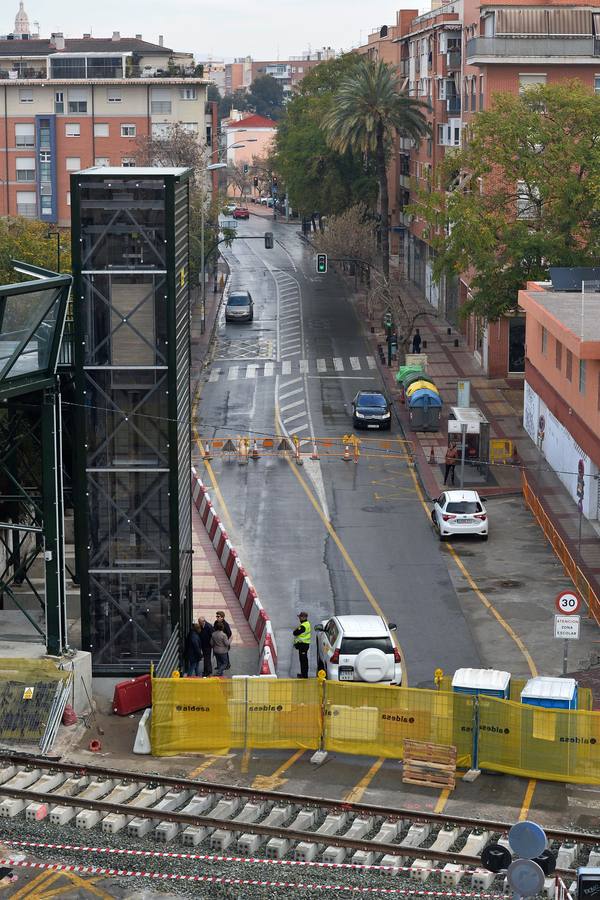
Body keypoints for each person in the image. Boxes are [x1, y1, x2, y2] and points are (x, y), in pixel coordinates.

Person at [293, 611, 311, 679]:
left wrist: (296, 630)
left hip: (303, 645)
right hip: (304, 645)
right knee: (303, 660)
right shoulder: (307, 623)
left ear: (303, 617)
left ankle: (304, 675)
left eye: (300, 617)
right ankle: (303, 674)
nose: (299, 618)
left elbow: (295, 633)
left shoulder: (303, 626)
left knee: (303, 661)